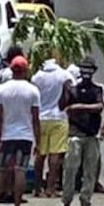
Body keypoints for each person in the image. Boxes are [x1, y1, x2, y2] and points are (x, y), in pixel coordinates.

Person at [0, 55, 40, 206]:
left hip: (7, 135)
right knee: (20, 170)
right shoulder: (32, 90)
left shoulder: (1, 90)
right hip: (25, 136)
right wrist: (38, 141)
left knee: (0, 170)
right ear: (25, 70)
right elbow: (35, 118)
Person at [59, 58, 104, 206]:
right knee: (70, 170)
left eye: (89, 69)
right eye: (84, 69)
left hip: (91, 135)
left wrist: (78, 107)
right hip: (75, 134)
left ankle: (85, 204)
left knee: (89, 172)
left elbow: (99, 106)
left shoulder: (97, 90)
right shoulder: (73, 89)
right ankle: (66, 203)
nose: (86, 72)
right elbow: (62, 106)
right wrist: (64, 90)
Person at [34, 55, 72, 196]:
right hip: (58, 116)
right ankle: (51, 187)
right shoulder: (63, 74)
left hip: (41, 117)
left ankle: (37, 188)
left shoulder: (37, 76)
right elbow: (69, 90)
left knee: (40, 153)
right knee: (55, 154)